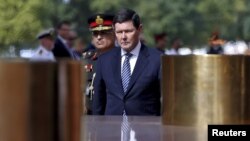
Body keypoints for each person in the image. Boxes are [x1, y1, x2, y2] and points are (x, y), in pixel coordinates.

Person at [93, 8, 162, 116]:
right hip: (111, 129)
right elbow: (98, 102)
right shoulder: (104, 60)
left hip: (146, 129)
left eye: (128, 31)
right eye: (119, 32)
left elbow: (167, 101)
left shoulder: (157, 59)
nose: (123, 37)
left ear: (140, 29)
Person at [83, 13, 116, 115]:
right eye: (95, 33)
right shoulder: (86, 59)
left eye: (104, 33)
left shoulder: (122, 58)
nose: (99, 37)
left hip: (112, 116)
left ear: (114, 34)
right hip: (89, 115)